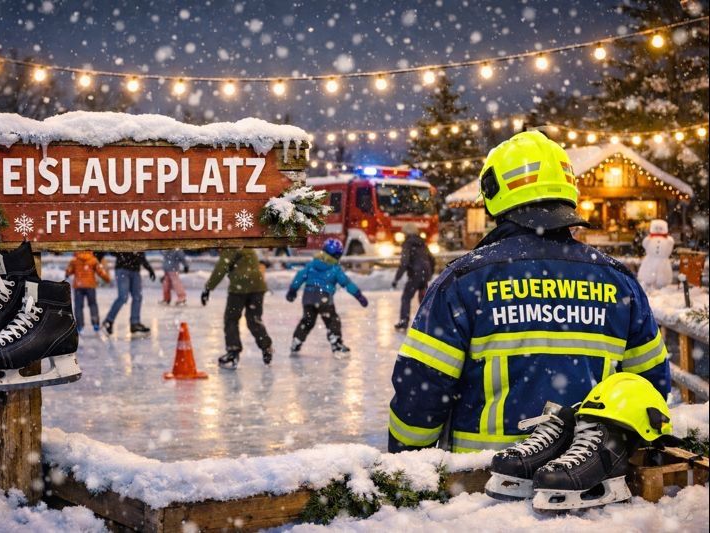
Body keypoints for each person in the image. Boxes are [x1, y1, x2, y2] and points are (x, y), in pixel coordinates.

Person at [388, 130, 670, 454]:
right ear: (569, 191)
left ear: (494, 194)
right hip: (595, 487)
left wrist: (405, 466)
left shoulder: (463, 282)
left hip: (481, 489)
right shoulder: (619, 281)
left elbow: (421, 391)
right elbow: (651, 391)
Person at [287, 238, 368, 357]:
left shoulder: (312, 264)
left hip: (308, 297)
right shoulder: (334, 269)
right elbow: (347, 283)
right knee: (332, 321)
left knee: (307, 321)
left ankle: (296, 341)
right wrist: (358, 295)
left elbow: (300, 276)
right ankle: (337, 345)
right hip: (323, 298)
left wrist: (292, 290)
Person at [201, 248, 273, 370]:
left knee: (231, 319)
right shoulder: (247, 247)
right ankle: (266, 346)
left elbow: (220, 269)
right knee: (254, 319)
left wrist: (208, 288)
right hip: (258, 286)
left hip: (239, 288)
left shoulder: (230, 247)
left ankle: (233, 351)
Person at [391, 223, 435, 331]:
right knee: (423, 299)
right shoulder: (422, 242)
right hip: (425, 273)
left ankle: (404, 322)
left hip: (415, 274)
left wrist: (396, 279)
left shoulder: (407, 243)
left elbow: (404, 263)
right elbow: (432, 259)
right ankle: (429, 322)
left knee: (406, 297)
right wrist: (429, 273)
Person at [101, 252, 155, 336]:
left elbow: (141, 254)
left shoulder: (139, 240)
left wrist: (149, 269)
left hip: (135, 270)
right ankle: (108, 321)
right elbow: (113, 250)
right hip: (122, 269)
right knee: (123, 297)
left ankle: (135, 323)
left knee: (137, 297)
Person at [65, 251, 111, 333]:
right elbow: (100, 271)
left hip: (78, 286)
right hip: (90, 286)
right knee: (93, 305)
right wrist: (107, 279)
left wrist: (69, 269)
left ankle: (80, 326)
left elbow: (68, 271)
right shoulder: (93, 260)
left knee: (78, 307)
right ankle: (95, 324)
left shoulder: (75, 260)